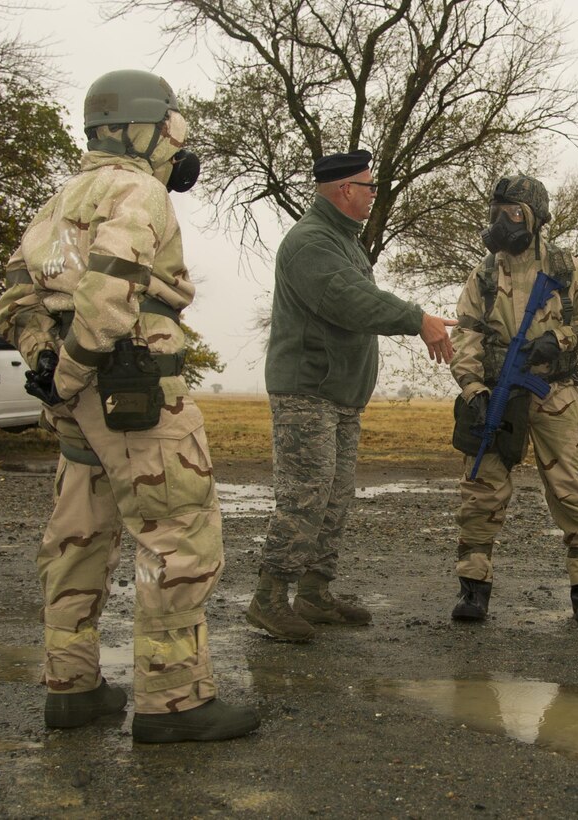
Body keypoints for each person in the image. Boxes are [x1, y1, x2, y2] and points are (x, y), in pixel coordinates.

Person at [0, 69, 259, 742]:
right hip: (136, 400)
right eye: (173, 128)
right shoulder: (139, 190)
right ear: (148, 128)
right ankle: (175, 703)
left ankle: (70, 686)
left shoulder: (59, 201)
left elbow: (11, 302)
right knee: (179, 538)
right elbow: (110, 289)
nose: (178, 143)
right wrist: (78, 366)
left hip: (80, 410)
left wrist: (49, 367)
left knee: (76, 540)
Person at [247, 149, 456, 641]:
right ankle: (269, 597)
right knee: (305, 496)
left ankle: (315, 594)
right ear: (344, 190)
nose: (373, 195)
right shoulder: (310, 243)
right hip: (308, 392)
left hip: (338, 396)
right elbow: (348, 300)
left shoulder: (342, 241)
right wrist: (415, 318)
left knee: (334, 499)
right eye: (369, 187)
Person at [449, 175, 578, 624]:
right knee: (481, 487)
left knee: (576, 488)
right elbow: (466, 334)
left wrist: (561, 339)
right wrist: (473, 389)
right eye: (496, 211)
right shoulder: (484, 274)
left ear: (536, 217)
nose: (502, 221)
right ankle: (474, 586)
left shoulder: (565, 269)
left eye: (513, 212)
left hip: (555, 394)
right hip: (496, 392)